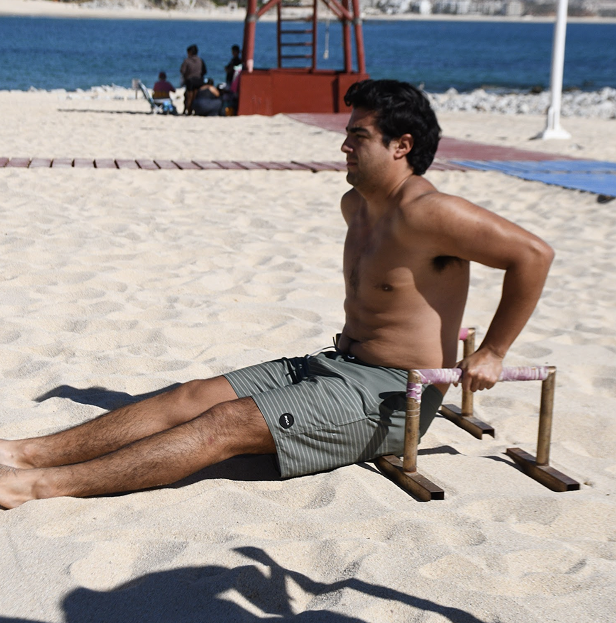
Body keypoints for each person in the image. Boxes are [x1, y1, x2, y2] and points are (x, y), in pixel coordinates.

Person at [0, 80, 554, 509]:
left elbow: (533, 255)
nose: (344, 145)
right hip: (337, 364)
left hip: (392, 395)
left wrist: (493, 351)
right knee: (190, 396)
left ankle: (35, 486)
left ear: (401, 146)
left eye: (359, 137)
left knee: (223, 424)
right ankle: (23, 453)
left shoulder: (430, 212)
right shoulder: (357, 205)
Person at [180, 44, 207, 115]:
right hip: (199, 81)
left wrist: (186, 76)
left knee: (189, 97)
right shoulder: (200, 60)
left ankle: (189, 111)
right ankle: (195, 110)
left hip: (190, 81)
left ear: (190, 52)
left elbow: (182, 71)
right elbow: (204, 71)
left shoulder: (187, 61)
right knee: (196, 97)